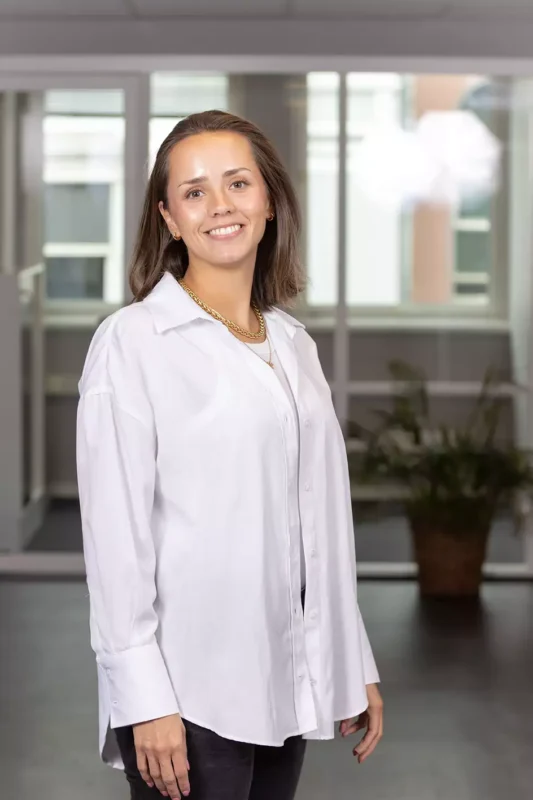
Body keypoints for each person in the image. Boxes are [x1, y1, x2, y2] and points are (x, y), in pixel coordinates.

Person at [76, 109, 383, 800]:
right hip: (187, 694)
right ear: (169, 218)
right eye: (194, 191)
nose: (220, 205)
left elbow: (315, 524)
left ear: (268, 201)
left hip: (280, 680)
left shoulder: (291, 344)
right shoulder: (133, 343)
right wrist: (144, 698)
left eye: (237, 183)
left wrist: (348, 659)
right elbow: (115, 540)